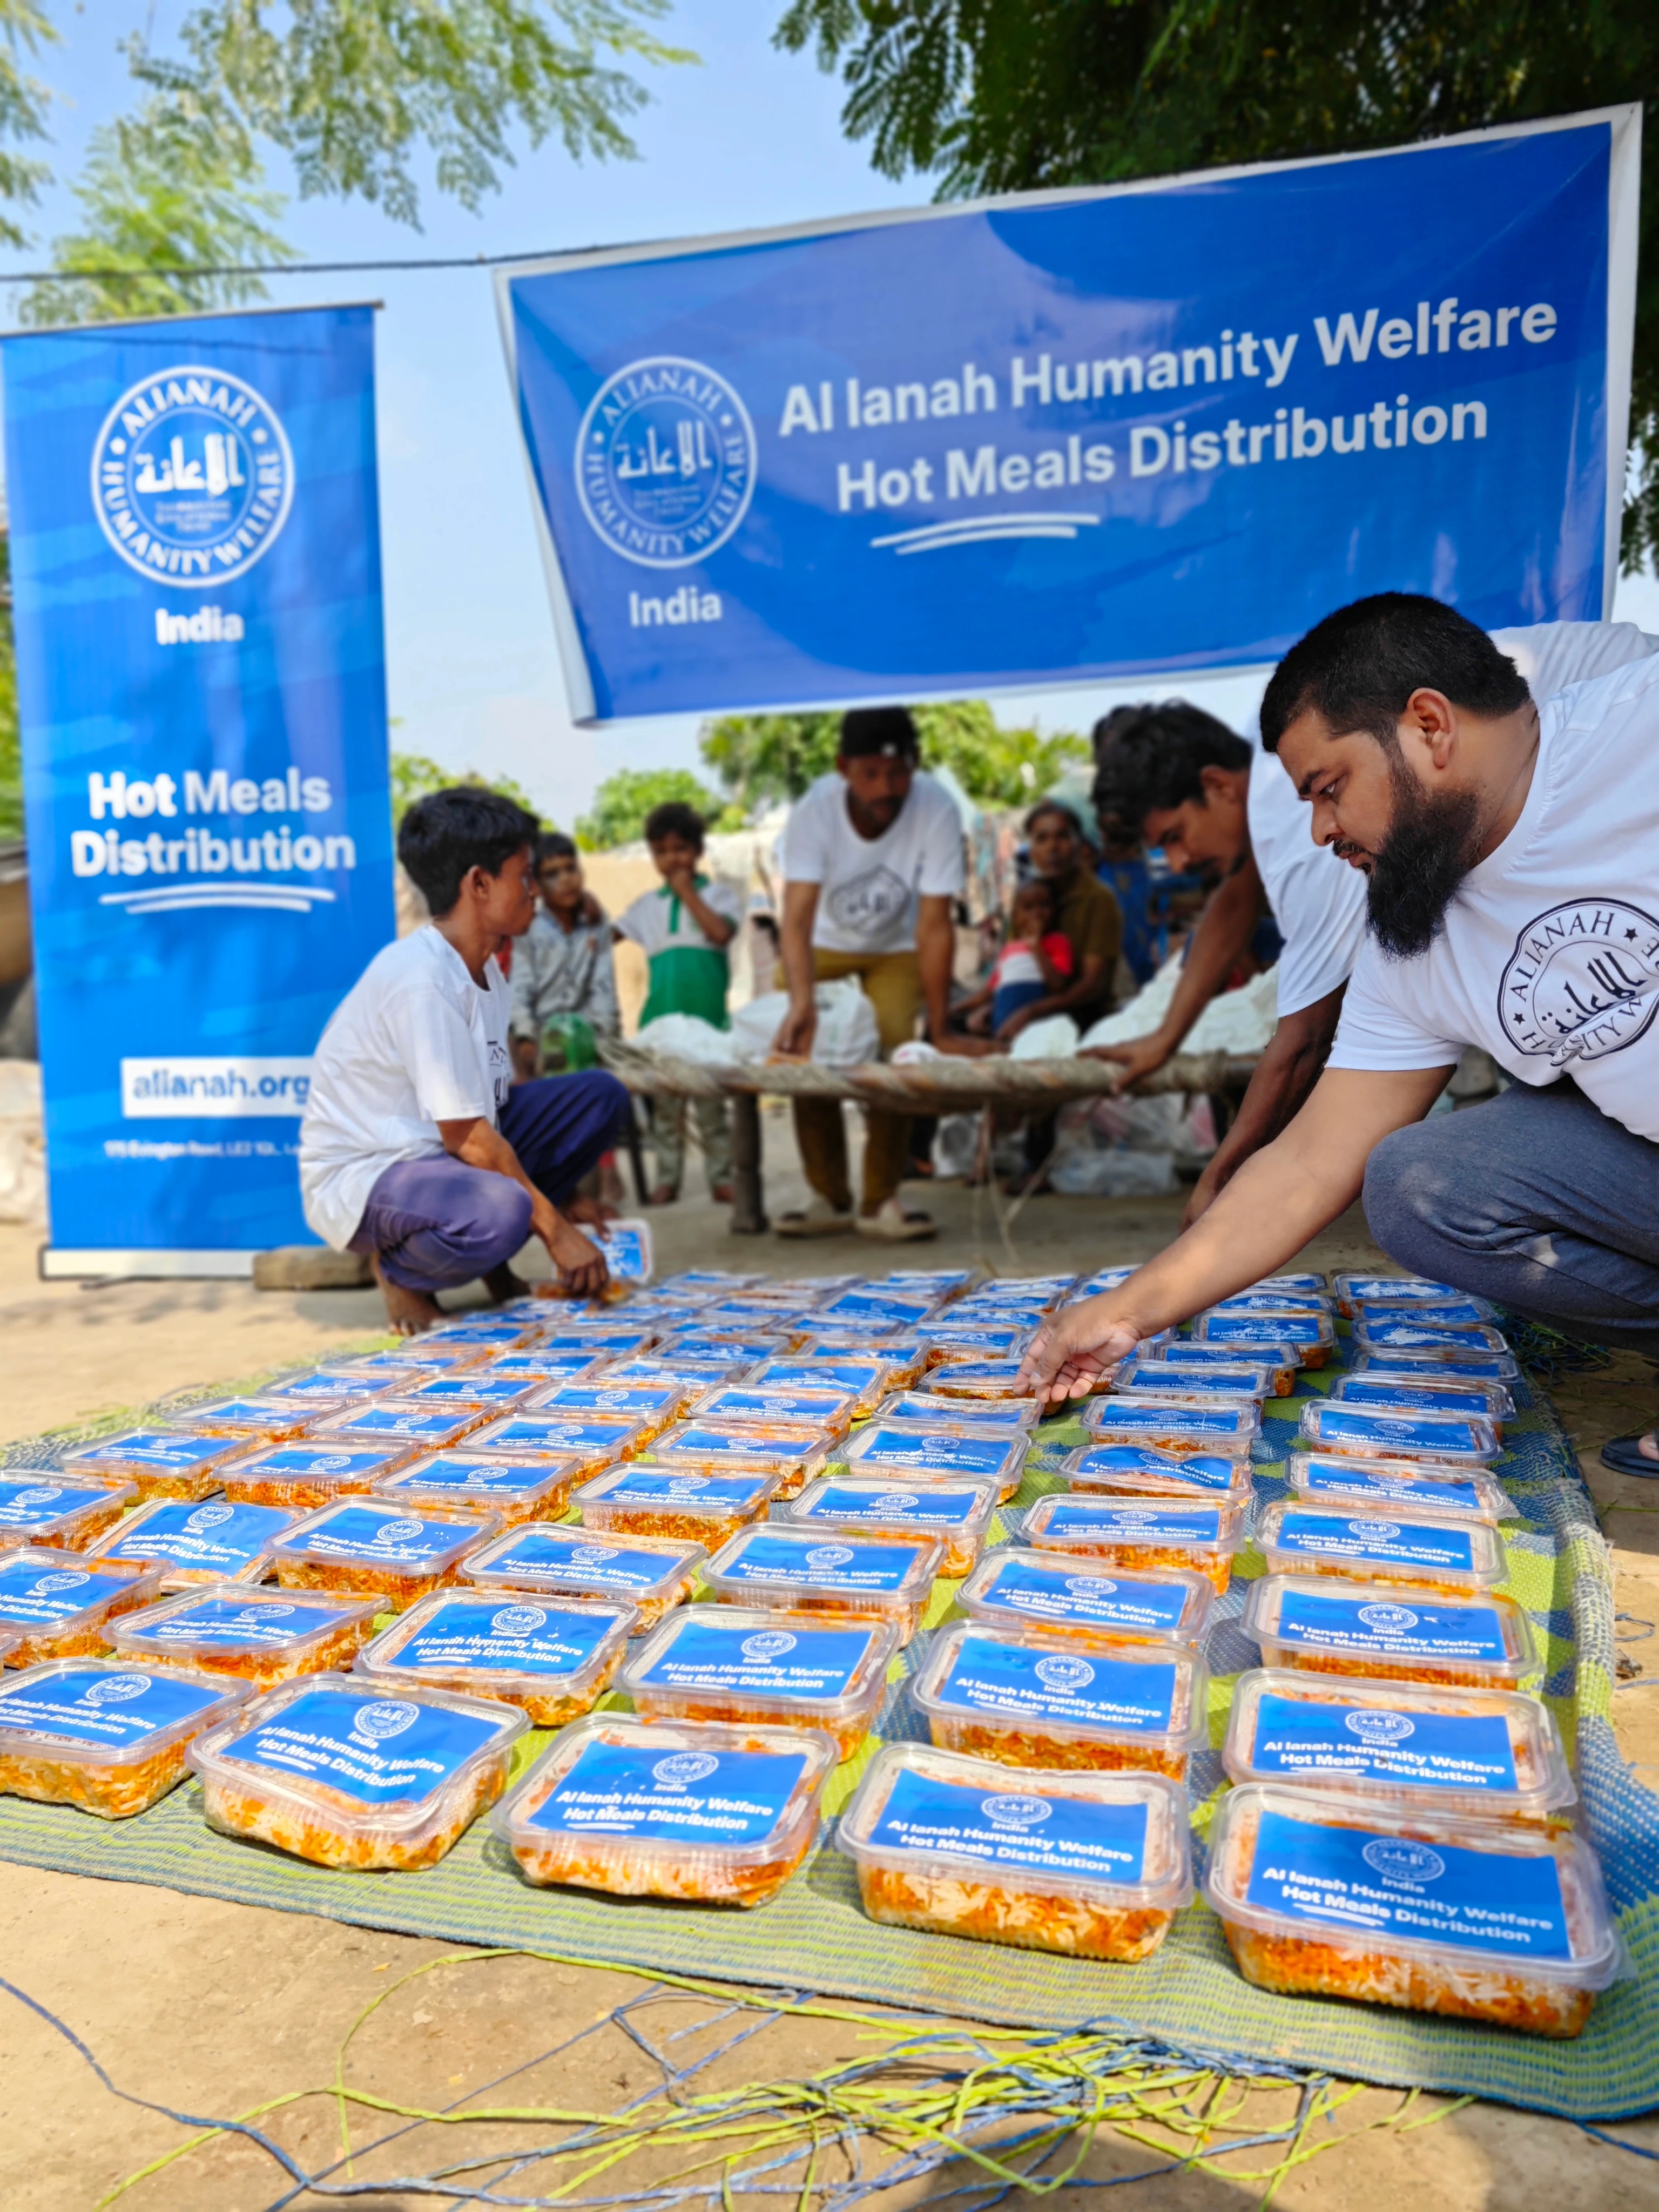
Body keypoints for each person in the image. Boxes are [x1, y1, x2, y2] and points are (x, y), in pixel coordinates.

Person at [1020, 596, 1659, 1485]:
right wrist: (1125, 1309)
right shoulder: (1412, 927)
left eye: (1328, 789)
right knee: (1414, 1182)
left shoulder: (1636, 736)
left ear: (1429, 726)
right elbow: (1309, 1162)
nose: (1320, 833)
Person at [1089, 627, 1659, 1224]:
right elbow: (1235, 902)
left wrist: (1221, 1181)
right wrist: (1164, 1039)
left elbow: (1304, 1040)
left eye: (1174, 838)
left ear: (1216, 786)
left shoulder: (1313, 809)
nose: (1177, 865)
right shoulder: (1320, 785)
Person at [299, 788, 629, 1333]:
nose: (536, 892)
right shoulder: (421, 979)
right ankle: (401, 1270)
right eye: (523, 876)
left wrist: (565, 1198)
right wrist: (555, 1228)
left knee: (599, 1096)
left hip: (442, 1157)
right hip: (373, 1173)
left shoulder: (486, 970)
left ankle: (493, 1268)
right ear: (479, 884)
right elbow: (468, 1138)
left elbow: (491, 1111)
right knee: (502, 1209)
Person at [772, 704, 968, 1240]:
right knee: (805, 1049)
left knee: (896, 1048)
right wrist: (801, 1000)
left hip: (895, 948)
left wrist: (942, 1024)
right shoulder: (815, 810)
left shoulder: (937, 808)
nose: (886, 787)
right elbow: (795, 917)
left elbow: (934, 925)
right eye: (870, 774)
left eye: (898, 772)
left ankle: (880, 1198)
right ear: (843, 767)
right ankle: (828, 1196)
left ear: (917, 764)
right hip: (822, 945)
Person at [617, 800, 741, 1205]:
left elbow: (720, 934)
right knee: (666, 1112)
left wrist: (688, 893)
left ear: (698, 852)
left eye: (681, 849)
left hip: (707, 1025)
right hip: (662, 1025)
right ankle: (667, 1179)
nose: (672, 859)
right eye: (662, 851)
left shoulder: (720, 895)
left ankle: (721, 1177)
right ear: (653, 856)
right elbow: (607, 936)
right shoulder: (647, 907)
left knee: (711, 1110)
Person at [509, 832, 620, 1078]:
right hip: (542, 1040)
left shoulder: (597, 924)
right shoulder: (527, 929)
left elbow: (604, 988)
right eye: (552, 874)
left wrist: (599, 1037)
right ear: (536, 885)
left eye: (571, 869)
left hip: (589, 1037)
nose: (566, 880)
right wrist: (526, 1036)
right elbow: (520, 987)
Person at [1020, 800, 1121, 1036]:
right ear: (1031, 848)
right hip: (1026, 1004)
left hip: (1082, 1016)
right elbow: (1008, 962)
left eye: (1062, 837)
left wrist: (1032, 1012)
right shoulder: (1026, 897)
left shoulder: (1098, 899)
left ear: (1080, 845)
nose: (1052, 847)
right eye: (1041, 839)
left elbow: (1092, 986)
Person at [956, 875, 1077, 1042]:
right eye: (1028, 908)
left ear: (1054, 910)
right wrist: (954, 1010)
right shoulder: (1009, 950)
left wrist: (1037, 949)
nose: (1037, 913)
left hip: (1037, 1025)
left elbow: (1058, 986)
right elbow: (990, 991)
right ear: (1015, 916)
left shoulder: (1058, 943)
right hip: (1002, 1022)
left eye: (1044, 906)